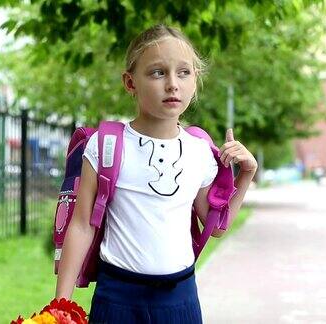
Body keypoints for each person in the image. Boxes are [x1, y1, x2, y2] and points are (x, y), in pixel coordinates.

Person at [55, 24, 258, 323]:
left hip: (181, 300)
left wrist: (245, 175)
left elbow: (215, 226)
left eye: (184, 72)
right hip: (117, 299)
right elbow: (82, 225)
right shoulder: (106, 144)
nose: (172, 84)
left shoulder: (200, 150)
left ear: (195, 80)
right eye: (158, 72)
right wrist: (60, 305)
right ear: (130, 82)